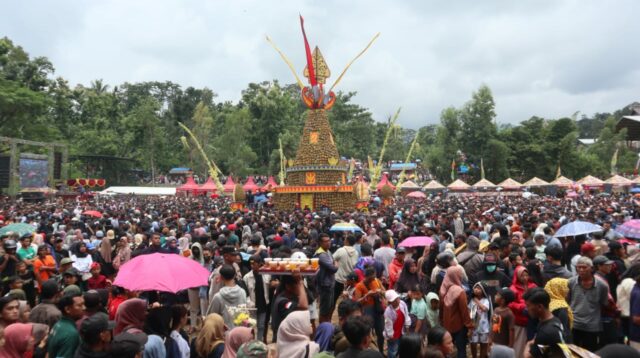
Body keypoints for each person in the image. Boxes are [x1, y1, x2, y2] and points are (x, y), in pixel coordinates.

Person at [568, 256, 608, 352]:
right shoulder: (571, 282)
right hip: (574, 324)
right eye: (579, 267)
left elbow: (604, 303)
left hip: (592, 326)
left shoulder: (602, 285)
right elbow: (568, 300)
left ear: (592, 268)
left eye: (584, 267)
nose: (581, 270)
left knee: (590, 352)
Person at [523, 287, 567, 358]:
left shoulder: (546, 332)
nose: (526, 309)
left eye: (528, 306)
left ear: (540, 307)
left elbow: (527, 356)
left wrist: (528, 344)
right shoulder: (555, 320)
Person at [440, 265, 473, 358]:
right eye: (460, 274)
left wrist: (441, 320)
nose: (461, 276)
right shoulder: (460, 291)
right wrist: (469, 326)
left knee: (446, 349)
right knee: (461, 349)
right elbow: (464, 311)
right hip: (459, 325)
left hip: (446, 324)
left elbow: (441, 308)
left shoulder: (443, 288)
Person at [353, 266, 385, 353]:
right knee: (367, 334)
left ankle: (380, 351)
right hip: (367, 310)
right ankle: (369, 352)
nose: (373, 279)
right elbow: (357, 302)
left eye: (374, 276)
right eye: (371, 277)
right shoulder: (359, 286)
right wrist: (367, 295)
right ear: (366, 276)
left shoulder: (377, 281)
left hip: (377, 309)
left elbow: (384, 292)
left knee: (381, 332)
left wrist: (380, 292)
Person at [243, 255, 273, 342]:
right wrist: (249, 302)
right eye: (251, 264)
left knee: (261, 326)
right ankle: (251, 342)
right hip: (252, 306)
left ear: (260, 264)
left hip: (263, 304)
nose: (252, 266)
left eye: (254, 264)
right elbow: (246, 292)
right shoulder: (247, 277)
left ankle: (259, 342)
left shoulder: (267, 275)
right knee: (251, 326)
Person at [508, 266, 536, 357]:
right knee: (519, 344)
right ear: (517, 276)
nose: (525, 278)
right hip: (519, 321)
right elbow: (510, 303)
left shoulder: (533, 286)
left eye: (526, 275)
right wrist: (521, 306)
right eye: (522, 276)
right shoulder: (513, 288)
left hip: (531, 321)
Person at [270, 274, 308, 341]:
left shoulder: (287, 297)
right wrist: (301, 283)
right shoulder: (283, 302)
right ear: (288, 286)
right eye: (297, 285)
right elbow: (304, 307)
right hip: (284, 340)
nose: (300, 288)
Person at [48, 292, 85, 358]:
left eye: (83, 304)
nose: (84, 308)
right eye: (80, 305)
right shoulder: (71, 334)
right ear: (67, 309)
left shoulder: (58, 324)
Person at [315, 233, 338, 322]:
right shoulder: (321, 254)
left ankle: (327, 326)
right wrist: (335, 264)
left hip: (330, 283)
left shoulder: (327, 251)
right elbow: (333, 268)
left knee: (330, 308)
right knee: (324, 310)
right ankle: (323, 329)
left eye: (329, 241)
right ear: (320, 243)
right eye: (325, 241)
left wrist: (334, 263)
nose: (328, 243)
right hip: (325, 285)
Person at [383, 289, 411, 358]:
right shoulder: (388, 312)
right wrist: (391, 336)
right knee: (393, 350)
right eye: (394, 300)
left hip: (401, 331)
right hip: (394, 335)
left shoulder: (402, 304)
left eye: (397, 299)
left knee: (400, 347)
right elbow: (388, 326)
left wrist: (407, 328)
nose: (397, 301)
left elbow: (406, 315)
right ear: (390, 302)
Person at [333, 234, 359, 307]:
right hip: (350, 281)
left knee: (333, 299)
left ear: (347, 241)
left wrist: (336, 263)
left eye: (345, 239)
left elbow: (332, 259)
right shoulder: (356, 252)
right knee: (348, 301)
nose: (344, 240)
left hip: (339, 279)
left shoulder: (341, 250)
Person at [469, 283, 491, 358]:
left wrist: (477, 301)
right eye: (475, 288)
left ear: (483, 290)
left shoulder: (485, 300)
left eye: (478, 288)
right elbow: (469, 311)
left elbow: (485, 309)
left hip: (483, 326)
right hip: (473, 326)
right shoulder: (471, 300)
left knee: (484, 343)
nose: (476, 290)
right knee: (473, 343)